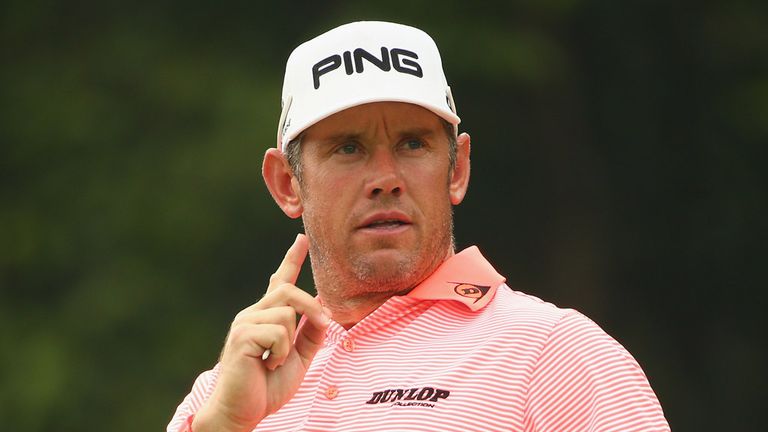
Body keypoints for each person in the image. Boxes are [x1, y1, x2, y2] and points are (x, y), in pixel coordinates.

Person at [167, 21, 669, 432]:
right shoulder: (224, 391)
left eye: (412, 144)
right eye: (348, 148)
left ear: (456, 170)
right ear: (286, 184)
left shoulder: (555, 354)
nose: (385, 179)